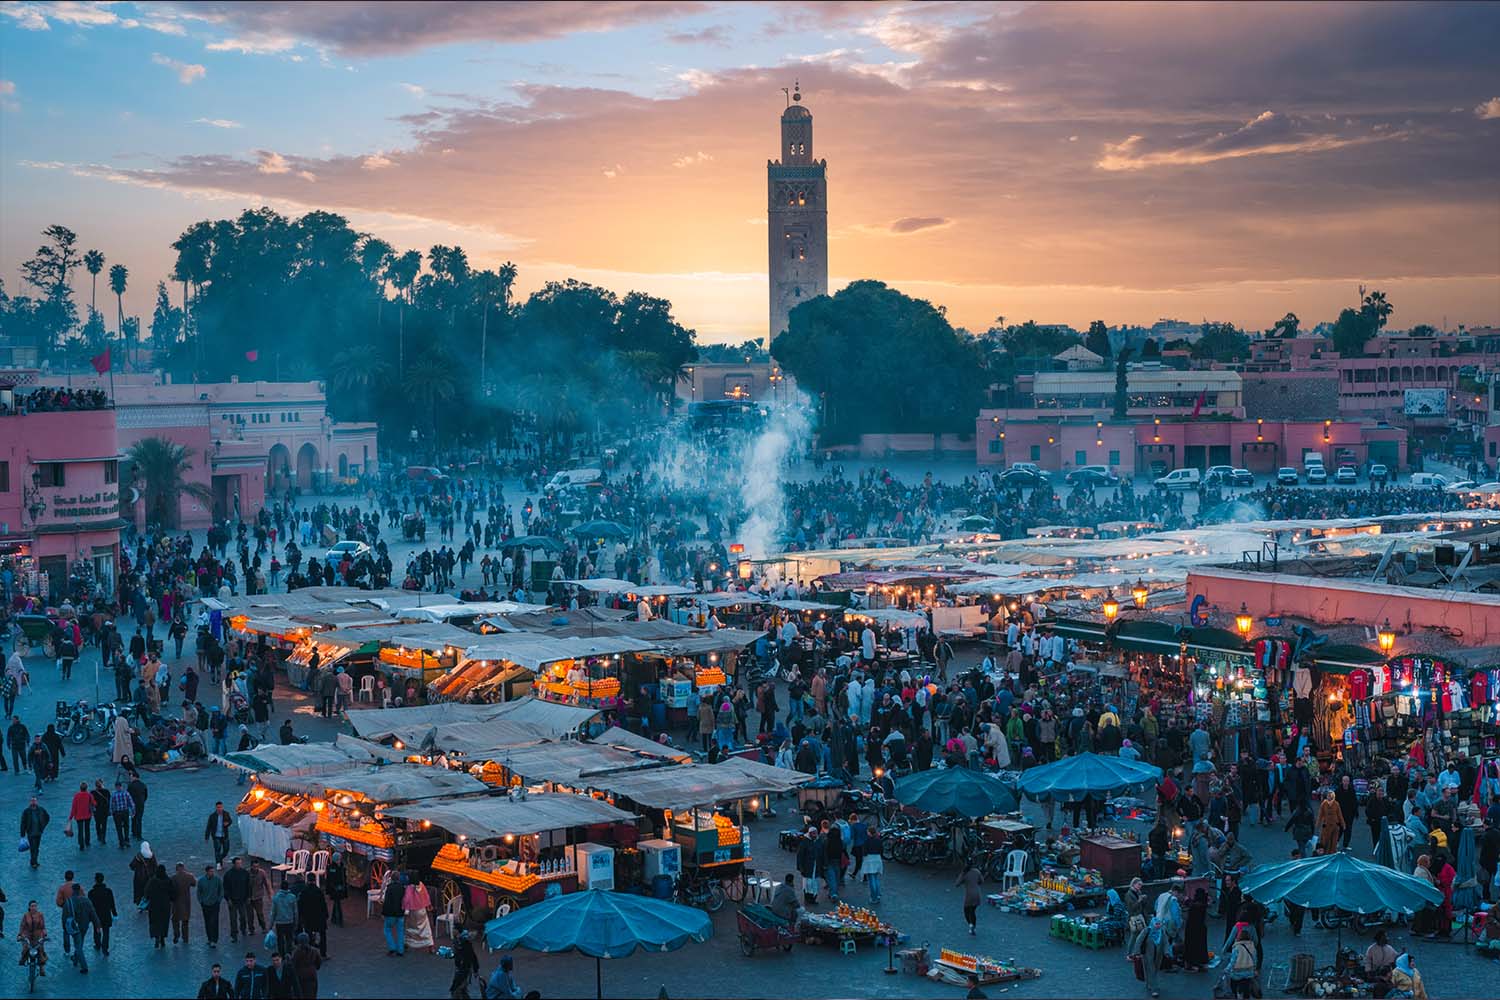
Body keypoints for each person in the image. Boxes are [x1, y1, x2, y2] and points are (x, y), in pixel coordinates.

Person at [61, 882, 96, 973]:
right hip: (84, 925)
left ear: (72, 890)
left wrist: (64, 928)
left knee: (78, 946)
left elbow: (64, 916)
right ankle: (76, 960)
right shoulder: (86, 900)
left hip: (74, 926)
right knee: (79, 943)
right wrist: (97, 924)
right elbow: (92, 912)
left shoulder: (68, 902)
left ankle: (84, 966)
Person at [1135, 916, 1167, 998]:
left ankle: (1149, 983)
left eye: (1159, 924)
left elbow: (1165, 942)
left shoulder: (1161, 932)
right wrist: (1137, 952)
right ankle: (1154, 989)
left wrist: (1167, 952)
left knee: (1155, 969)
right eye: (1156, 924)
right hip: (1147, 954)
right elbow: (1139, 940)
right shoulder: (1147, 930)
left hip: (1158, 956)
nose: (1158, 925)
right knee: (1151, 969)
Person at [296, 877, 328, 958]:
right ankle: (323, 953)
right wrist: (326, 915)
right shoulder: (319, 891)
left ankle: (309, 954)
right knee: (322, 935)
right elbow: (323, 904)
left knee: (309, 935)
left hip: (308, 918)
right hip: (319, 917)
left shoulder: (304, 892)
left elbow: (301, 906)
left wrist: (301, 917)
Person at [404, 875, 435, 953]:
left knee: (410, 927)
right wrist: (428, 905)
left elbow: (407, 899)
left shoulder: (409, 887)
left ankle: (409, 943)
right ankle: (430, 945)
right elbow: (426, 895)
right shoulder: (421, 885)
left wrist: (404, 908)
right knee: (425, 927)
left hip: (412, 911)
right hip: (422, 910)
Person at [145, 864, 173, 949]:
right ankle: (163, 938)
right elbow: (172, 892)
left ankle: (156, 938)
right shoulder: (168, 880)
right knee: (164, 922)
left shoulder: (152, 881)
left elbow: (146, 892)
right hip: (165, 905)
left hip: (154, 905)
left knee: (155, 922)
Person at [1182, 886, 1210, 971]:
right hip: (1201, 928)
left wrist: (1186, 900)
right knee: (1201, 946)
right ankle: (1200, 962)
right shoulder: (1203, 904)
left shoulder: (1196, 905)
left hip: (1192, 928)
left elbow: (1191, 905)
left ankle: (1192, 963)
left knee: (1191, 946)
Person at [88, 872, 115, 955]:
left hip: (96, 915)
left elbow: (90, 906)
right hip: (106, 914)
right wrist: (114, 913)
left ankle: (98, 944)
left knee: (96, 930)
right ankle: (105, 948)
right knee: (106, 932)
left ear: (95, 880)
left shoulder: (91, 893)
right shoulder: (108, 891)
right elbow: (112, 903)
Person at [1227, 926, 1258, 999]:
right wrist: (1254, 969)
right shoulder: (1252, 946)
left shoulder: (1236, 947)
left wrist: (1227, 969)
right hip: (1249, 972)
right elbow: (1255, 959)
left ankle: (1236, 994)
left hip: (1237, 972)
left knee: (1234, 983)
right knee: (1246, 985)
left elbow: (1233, 960)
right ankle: (1245, 996)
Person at [18, 900, 47, 978]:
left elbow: (43, 927)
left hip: (38, 935)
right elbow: (22, 926)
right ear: (29, 907)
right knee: (25, 948)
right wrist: (20, 935)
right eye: (32, 906)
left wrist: (44, 934)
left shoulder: (40, 915)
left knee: (40, 950)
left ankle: (41, 968)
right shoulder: (25, 915)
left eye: (35, 906)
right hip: (27, 935)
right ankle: (23, 959)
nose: (34, 907)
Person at [448, 929, 480, 999]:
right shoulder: (458, 941)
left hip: (464, 968)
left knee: (459, 987)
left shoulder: (464, 942)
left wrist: (475, 969)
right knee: (461, 988)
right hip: (461, 967)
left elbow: (472, 956)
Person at [20, 794, 49, 868]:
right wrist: (23, 834)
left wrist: (43, 826)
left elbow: (47, 817)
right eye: (32, 801)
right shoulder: (26, 811)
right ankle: (34, 862)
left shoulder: (41, 809)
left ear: (36, 802)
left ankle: (34, 860)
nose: (33, 802)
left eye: (34, 800)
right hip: (30, 833)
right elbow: (23, 822)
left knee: (36, 847)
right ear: (30, 802)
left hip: (38, 832)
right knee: (33, 847)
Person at [270, 880, 299, 955]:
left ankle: (281, 954)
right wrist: (296, 922)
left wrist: (270, 924)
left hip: (279, 922)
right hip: (289, 921)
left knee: (280, 939)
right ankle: (289, 954)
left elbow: (273, 912)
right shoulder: (292, 897)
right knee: (289, 939)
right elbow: (295, 911)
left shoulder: (275, 898)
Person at [172, 861, 198, 943]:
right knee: (185, 920)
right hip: (186, 901)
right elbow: (194, 884)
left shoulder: (173, 877)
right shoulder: (189, 876)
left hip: (176, 902)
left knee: (175, 920)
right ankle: (185, 937)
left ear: (176, 868)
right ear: (183, 867)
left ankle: (176, 934)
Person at [291, 932, 322, 1000]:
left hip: (300, 976)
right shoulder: (314, 951)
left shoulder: (296, 952)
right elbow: (319, 963)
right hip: (312, 975)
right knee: (312, 994)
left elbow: (293, 965)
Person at [381, 873, 406, 956]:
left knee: (387, 929)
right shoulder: (402, 888)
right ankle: (400, 950)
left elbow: (387, 902)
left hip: (391, 913)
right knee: (400, 931)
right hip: (400, 912)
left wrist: (383, 913)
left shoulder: (390, 888)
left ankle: (392, 947)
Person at [199, 864, 224, 948]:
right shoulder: (201, 880)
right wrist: (201, 901)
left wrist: (218, 900)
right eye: (210, 871)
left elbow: (221, 890)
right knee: (207, 922)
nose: (212, 873)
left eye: (213, 871)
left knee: (214, 921)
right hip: (205, 904)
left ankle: (214, 939)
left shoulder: (217, 880)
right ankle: (209, 938)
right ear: (207, 872)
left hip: (214, 904)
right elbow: (199, 892)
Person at [956, 860, 983, 936]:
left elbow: (957, 883)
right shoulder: (977, 871)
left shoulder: (965, 873)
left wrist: (962, 874)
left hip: (969, 895)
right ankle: (973, 926)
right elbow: (981, 881)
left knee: (966, 911)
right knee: (972, 911)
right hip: (977, 894)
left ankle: (971, 925)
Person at [1315, 790, 1345, 854]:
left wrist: (1343, 824)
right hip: (1326, 826)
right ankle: (1325, 855)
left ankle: (1332, 855)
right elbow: (1320, 815)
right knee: (1325, 842)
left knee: (1334, 843)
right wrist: (1317, 824)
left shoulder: (1336, 804)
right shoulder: (1324, 804)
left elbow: (1340, 815)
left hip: (1335, 826)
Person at [862, 822, 884, 903]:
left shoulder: (867, 841)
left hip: (870, 859)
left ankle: (873, 897)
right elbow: (881, 850)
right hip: (877, 858)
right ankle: (878, 895)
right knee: (876, 878)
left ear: (869, 833)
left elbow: (864, 852)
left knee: (871, 879)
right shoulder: (879, 840)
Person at [67, 781, 94, 848]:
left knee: (80, 830)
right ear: (86, 788)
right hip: (88, 815)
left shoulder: (76, 796)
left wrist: (70, 817)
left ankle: (81, 844)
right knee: (87, 829)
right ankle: (87, 842)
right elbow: (94, 803)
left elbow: (74, 807)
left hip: (79, 816)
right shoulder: (89, 795)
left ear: (80, 788)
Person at [324, 852, 347, 927]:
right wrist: (333, 887)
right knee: (338, 904)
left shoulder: (341, 866)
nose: (339, 861)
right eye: (338, 859)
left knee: (336, 903)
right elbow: (330, 880)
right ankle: (340, 920)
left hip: (340, 888)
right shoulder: (331, 868)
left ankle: (334, 918)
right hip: (334, 889)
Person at [109, 781, 134, 846]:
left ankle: (121, 842)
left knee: (118, 828)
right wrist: (133, 811)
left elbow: (111, 805)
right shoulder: (126, 793)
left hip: (117, 813)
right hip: (125, 812)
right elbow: (131, 803)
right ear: (121, 786)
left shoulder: (113, 794)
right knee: (126, 826)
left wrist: (111, 813)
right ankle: (127, 840)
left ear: (115, 787)